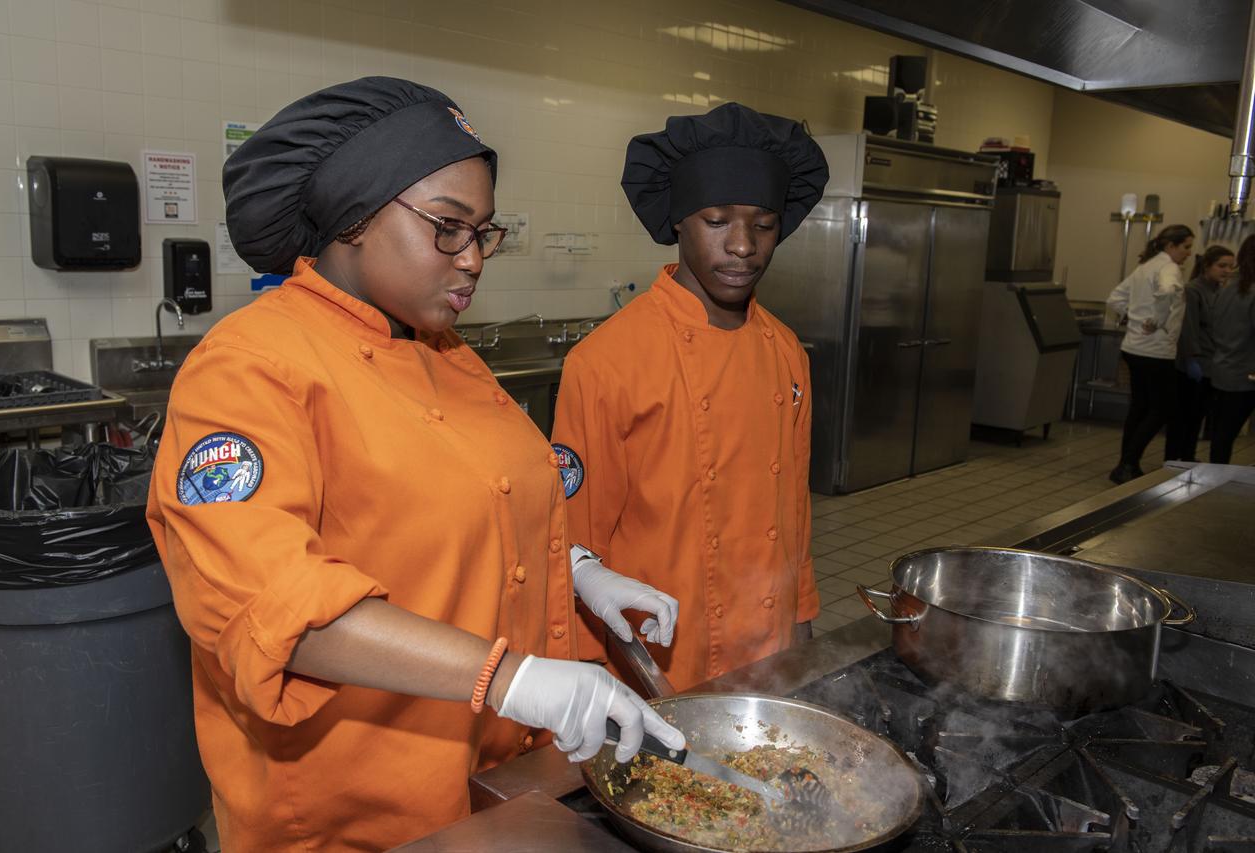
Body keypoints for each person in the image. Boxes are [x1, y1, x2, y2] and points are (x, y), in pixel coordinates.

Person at [146, 78, 684, 852]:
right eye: (447, 227)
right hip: (354, 815)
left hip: (484, 784)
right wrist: (512, 677)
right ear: (354, 217)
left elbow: (463, 506)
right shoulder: (249, 366)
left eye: (484, 233)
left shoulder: (445, 353)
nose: (473, 259)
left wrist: (576, 568)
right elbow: (271, 605)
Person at [550, 103, 828, 691]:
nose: (743, 246)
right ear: (679, 221)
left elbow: (795, 516)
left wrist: (802, 622)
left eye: (764, 224)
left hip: (770, 648)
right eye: (717, 221)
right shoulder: (606, 361)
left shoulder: (786, 351)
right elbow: (575, 547)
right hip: (656, 657)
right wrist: (587, 679)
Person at [1106, 224, 1194, 483]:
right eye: (1186, 247)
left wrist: (1133, 317)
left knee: (1139, 407)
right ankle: (1128, 463)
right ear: (1171, 246)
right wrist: (1156, 320)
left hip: (1133, 348)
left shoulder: (1145, 267)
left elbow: (1114, 299)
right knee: (1162, 408)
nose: (1189, 253)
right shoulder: (1168, 268)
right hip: (1156, 351)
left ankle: (1126, 464)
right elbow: (1166, 292)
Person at [1164, 245, 1233, 462]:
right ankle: (1174, 457)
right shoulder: (1193, 290)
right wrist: (1191, 359)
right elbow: (1189, 328)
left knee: (1198, 415)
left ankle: (1188, 455)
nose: (1227, 271)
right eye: (1222, 266)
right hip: (1193, 363)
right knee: (1184, 415)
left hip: (1212, 362)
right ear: (1207, 266)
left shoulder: (1221, 291)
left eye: (1230, 267)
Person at [1208, 235, 1255, 463]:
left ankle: (1215, 475)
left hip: (1223, 368)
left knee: (1222, 435)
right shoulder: (1251, 290)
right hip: (1246, 374)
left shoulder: (1227, 287)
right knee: (1225, 434)